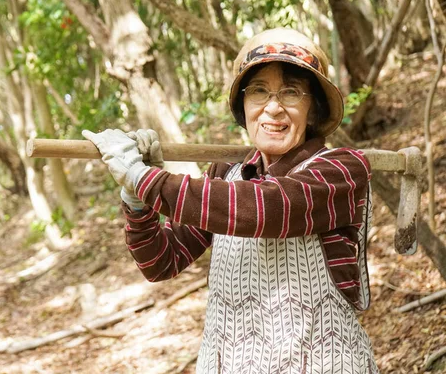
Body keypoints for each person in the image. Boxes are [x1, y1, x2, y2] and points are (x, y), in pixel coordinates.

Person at [82, 28, 378, 374]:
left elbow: (266, 209)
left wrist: (144, 178)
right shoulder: (225, 174)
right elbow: (161, 262)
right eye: (259, 92)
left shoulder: (341, 170)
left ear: (313, 110)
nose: (273, 107)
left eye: (291, 92)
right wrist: (137, 201)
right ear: (244, 107)